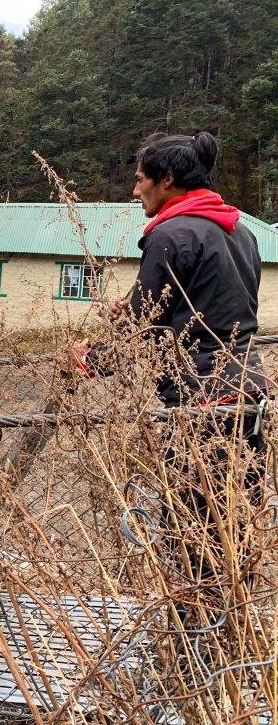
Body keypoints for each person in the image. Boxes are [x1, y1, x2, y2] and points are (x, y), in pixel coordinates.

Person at [69, 132, 268, 581]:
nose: (135, 190)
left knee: (192, 529)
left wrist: (88, 361)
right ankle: (233, 633)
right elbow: (216, 309)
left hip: (199, 402)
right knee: (235, 527)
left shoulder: (171, 235)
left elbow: (141, 328)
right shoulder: (241, 233)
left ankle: (193, 637)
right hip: (249, 394)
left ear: (168, 179)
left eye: (141, 180)